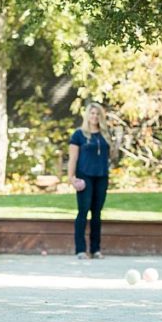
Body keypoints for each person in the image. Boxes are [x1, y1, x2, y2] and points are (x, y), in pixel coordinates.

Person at [67, 103, 111, 259]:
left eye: (97, 114)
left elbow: (109, 157)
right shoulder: (79, 135)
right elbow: (73, 158)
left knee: (97, 213)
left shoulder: (105, 134)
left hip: (101, 176)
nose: (95, 116)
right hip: (84, 176)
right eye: (92, 113)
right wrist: (71, 177)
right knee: (83, 211)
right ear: (87, 115)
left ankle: (96, 249)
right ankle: (80, 249)